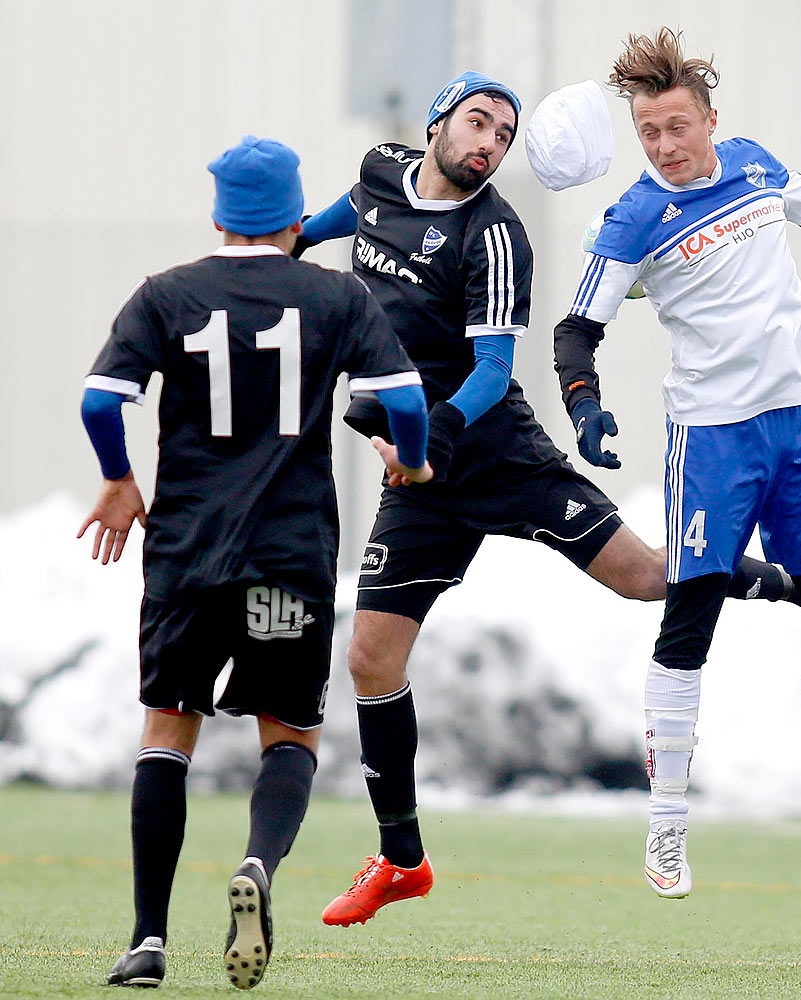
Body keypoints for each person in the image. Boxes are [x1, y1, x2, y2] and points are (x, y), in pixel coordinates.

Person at [291, 70, 801, 927]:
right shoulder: (382, 168)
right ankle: (400, 860)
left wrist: (439, 437)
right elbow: (354, 209)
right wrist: (294, 242)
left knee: (650, 577)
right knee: (371, 660)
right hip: (422, 475)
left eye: (502, 134)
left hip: (492, 450)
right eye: (477, 123)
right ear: (436, 124)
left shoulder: (496, 236)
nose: (489, 143)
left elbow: (495, 370)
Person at [554, 27, 801, 899]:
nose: (664, 145)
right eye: (649, 131)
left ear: (709, 120)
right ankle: (664, 828)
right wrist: (584, 406)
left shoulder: (753, 166)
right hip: (714, 436)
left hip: (798, 423)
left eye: (676, 127)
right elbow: (577, 327)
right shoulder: (630, 219)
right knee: (690, 616)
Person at [80, 136, 429, 989]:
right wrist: (411, 461)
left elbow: (101, 400)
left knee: (167, 734)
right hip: (289, 554)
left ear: (217, 217)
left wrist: (120, 482)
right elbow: (407, 399)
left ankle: (147, 941)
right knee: (292, 733)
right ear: (294, 218)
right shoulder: (335, 295)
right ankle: (259, 868)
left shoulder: (166, 295)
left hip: (187, 556)